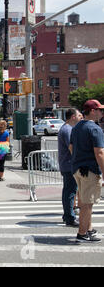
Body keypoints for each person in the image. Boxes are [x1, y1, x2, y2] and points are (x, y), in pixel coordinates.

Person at [69, 99, 104, 242]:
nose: (102, 112)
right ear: (93, 111)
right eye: (100, 110)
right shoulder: (95, 129)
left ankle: (88, 230)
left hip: (77, 169)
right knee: (87, 204)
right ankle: (82, 233)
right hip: (90, 170)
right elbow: (100, 152)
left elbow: (71, 147)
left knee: (84, 202)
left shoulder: (77, 127)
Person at [58, 108, 83, 227]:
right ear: (73, 117)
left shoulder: (66, 128)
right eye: (79, 115)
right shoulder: (68, 130)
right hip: (69, 165)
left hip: (67, 164)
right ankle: (70, 217)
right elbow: (72, 148)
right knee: (70, 191)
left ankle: (67, 215)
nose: (81, 117)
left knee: (69, 191)